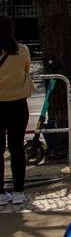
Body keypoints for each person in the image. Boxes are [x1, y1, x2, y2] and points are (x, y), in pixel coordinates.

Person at [0, 15, 34, 207]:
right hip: (17, 104)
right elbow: (26, 70)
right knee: (16, 149)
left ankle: (1, 193)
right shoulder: (22, 51)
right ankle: (19, 191)